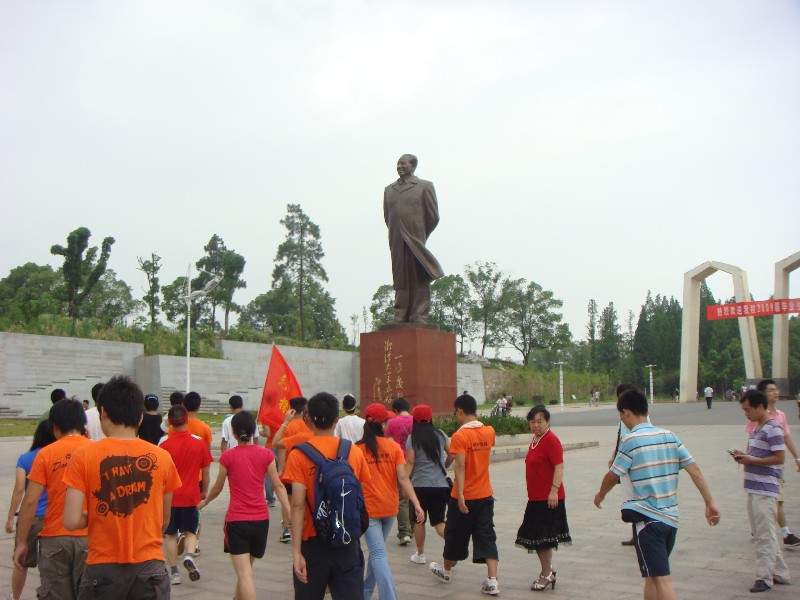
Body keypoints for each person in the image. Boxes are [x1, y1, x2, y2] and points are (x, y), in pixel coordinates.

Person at [594, 388, 720, 600]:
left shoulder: (630, 441)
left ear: (626, 412)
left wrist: (600, 495)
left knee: (662, 579)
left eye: (621, 416)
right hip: (671, 521)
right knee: (652, 576)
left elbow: (612, 475)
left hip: (649, 522)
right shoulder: (669, 436)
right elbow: (695, 470)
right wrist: (710, 502)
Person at [63, 375, 181, 600]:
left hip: (102, 569)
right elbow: (164, 522)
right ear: (140, 417)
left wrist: (99, 515)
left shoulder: (83, 456)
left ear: (103, 413)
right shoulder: (162, 457)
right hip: (149, 567)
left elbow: (70, 520)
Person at [283, 391, 371, 600]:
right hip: (347, 540)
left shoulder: (298, 455)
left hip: (313, 541)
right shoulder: (353, 452)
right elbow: (359, 495)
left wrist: (296, 552)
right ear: (336, 419)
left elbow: (297, 505)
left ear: (309, 419)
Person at [198, 410, 290, 600]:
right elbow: (278, 485)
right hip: (260, 521)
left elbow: (217, 488)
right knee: (246, 570)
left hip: (237, 521)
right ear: (254, 430)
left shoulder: (228, 457)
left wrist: (205, 502)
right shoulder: (266, 455)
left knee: (245, 574)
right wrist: (290, 512)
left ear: (233, 432)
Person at [13, 398, 90, 600]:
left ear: (55, 428)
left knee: (55, 594)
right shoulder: (96, 451)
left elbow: (29, 501)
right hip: (91, 536)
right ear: (83, 424)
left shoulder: (46, 454)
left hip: (55, 537)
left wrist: (22, 542)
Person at [429, 394, 500, 596]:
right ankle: (492, 580)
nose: (456, 416)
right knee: (487, 535)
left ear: (460, 411)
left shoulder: (460, 436)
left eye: (455, 412)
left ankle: (446, 570)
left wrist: (459, 495)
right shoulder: (489, 431)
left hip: (465, 495)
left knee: (454, 534)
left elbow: (460, 466)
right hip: (485, 494)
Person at [357, 403, 423, 600]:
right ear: (384, 424)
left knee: (377, 554)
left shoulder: (357, 449)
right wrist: (416, 503)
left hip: (369, 510)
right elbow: (403, 479)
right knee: (378, 553)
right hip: (389, 508)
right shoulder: (393, 447)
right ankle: (366, 593)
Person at [732, 389, 791, 592]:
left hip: (765, 491)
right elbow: (758, 454)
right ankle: (780, 572)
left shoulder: (773, 428)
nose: (746, 414)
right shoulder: (757, 429)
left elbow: (779, 458)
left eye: (748, 410)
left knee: (764, 535)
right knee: (762, 533)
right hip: (754, 488)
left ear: (759, 407)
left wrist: (751, 460)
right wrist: (744, 455)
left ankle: (764, 577)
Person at [515, 405, 572, 591]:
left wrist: (554, 491)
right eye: (533, 422)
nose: (536, 425)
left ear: (547, 422)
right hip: (536, 498)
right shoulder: (535, 440)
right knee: (539, 537)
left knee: (543, 539)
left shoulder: (551, 440)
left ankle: (546, 573)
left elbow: (559, 466)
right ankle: (548, 571)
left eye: (540, 421)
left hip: (548, 499)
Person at [383, 153, 444, 324]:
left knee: (419, 275)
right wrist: (398, 231)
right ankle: (400, 313)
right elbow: (388, 217)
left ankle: (419, 314)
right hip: (396, 238)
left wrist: (420, 232)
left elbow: (433, 216)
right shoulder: (389, 190)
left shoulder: (424, 186)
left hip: (416, 236)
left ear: (413, 166)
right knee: (400, 275)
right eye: (398, 164)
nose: (400, 167)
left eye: (403, 164)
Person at [159, 405, 213, 585]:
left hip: (170, 497)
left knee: (170, 535)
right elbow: (205, 471)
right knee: (191, 531)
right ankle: (189, 555)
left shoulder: (164, 446)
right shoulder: (199, 444)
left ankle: (174, 572)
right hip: (192, 495)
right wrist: (205, 491)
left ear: (171, 423)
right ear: (186, 420)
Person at [5, 420, 56, 600]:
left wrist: (11, 517)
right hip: (54, 517)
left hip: (31, 517)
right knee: (49, 563)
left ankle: (16, 596)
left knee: (21, 563)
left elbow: (19, 489)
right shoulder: (56, 456)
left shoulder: (25, 459)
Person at [749, 379, 800, 547]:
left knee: (777, 501)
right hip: (763, 467)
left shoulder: (781, 415)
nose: (776, 392)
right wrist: (748, 460)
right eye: (771, 390)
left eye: (776, 389)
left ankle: (761, 528)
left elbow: (786, 437)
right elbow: (752, 440)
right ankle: (785, 533)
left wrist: (797, 457)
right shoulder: (756, 415)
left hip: (777, 466)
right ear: (763, 395)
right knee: (774, 500)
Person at [405, 404, 452, 566]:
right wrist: (445, 465)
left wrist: (405, 482)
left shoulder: (412, 438)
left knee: (419, 521)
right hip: (440, 485)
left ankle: (420, 554)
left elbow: (410, 462)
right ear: (431, 418)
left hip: (419, 485)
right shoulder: (440, 435)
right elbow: (452, 453)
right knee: (439, 522)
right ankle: (453, 546)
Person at [273, 396, 314, 544]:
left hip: (292, 470)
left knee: (288, 500)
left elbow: (281, 449)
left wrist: (280, 469)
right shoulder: (310, 427)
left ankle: (286, 529)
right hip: (309, 470)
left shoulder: (290, 426)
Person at [386, 397, 414, 546]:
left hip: (400, 462)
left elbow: (386, 439)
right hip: (415, 461)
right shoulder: (415, 421)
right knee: (413, 494)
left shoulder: (392, 422)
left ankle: (404, 532)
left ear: (395, 410)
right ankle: (415, 527)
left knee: (402, 497)